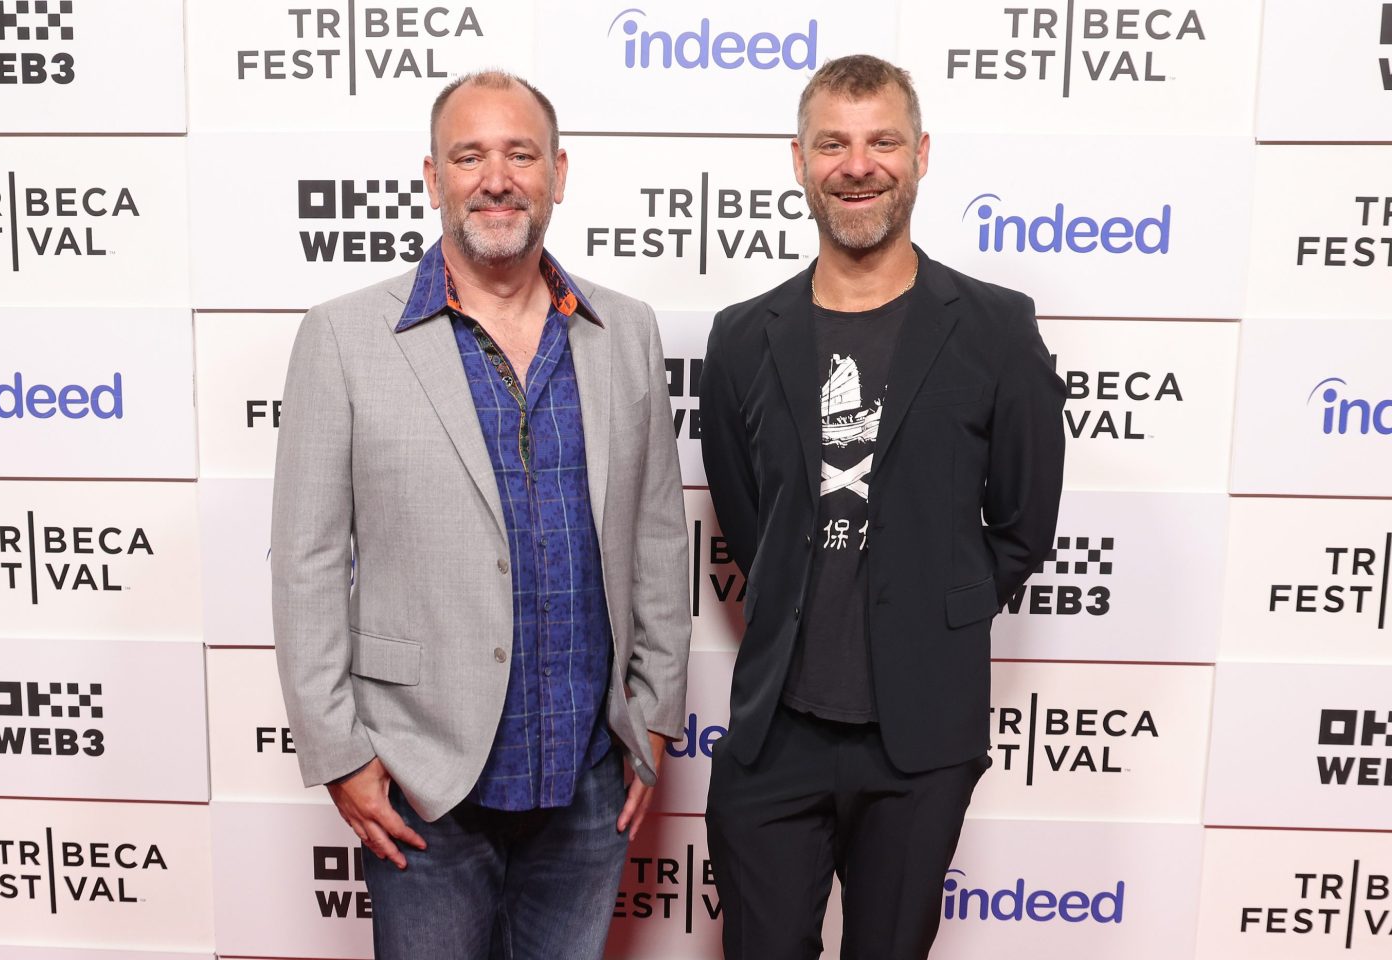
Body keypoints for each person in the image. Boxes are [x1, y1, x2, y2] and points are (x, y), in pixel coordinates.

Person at [271, 70, 690, 960]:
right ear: (433, 177)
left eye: (520, 154)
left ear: (559, 173)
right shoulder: (343, 337)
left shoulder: (628, 330)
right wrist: (339, 754)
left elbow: (659, 535)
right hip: (422, 783)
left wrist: (652, 720)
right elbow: (305, 561)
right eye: (470, 155)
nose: (496, 178)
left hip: (587, 778)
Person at [700, 54, 1066, 959]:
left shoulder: (994, 328)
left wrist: (940, 607)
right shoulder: (744, 337)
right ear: (799, 160)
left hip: (921, 740)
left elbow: (1022, 522)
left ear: (921, 154)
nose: (857, 165)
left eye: (882, 142)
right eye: (833, 142)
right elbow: (747, 515)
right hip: (773, 735)